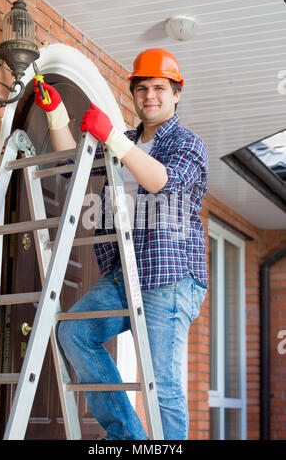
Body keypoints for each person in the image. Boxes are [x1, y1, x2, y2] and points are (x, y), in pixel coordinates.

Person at [33, 48, 208, 440]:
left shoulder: (188, 144)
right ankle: (129, 438)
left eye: (160, 88)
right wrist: (57, 114)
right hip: (123, 275)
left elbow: (161, 181)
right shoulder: (125, 141)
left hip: (170, 278)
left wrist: (111, 137)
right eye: (142, 87)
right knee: (74, 333)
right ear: (133, 92)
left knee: (160, 383)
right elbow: (70, 167)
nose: (150, 95)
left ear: (176, 92)